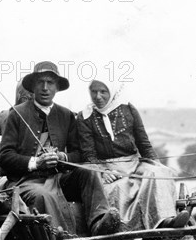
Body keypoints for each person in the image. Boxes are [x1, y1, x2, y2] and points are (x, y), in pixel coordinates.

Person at [0, 61, 121, 236]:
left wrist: (63, 157)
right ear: (33, 86)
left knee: (90, 171)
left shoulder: (66, 115)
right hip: (25, 182)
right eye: (40, 82)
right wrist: (36, 162)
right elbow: (5, 156)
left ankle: (99, 223)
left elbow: (78, 154)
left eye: (50, 83)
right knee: (44, 195)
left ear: (57, 88)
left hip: (58, 179)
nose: (45, 88)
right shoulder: (16, 114)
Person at [77, 80, 189, 231]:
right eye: (94, 92)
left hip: (135, 164)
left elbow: (144, 144)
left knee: (159, 174)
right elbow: (88, 152)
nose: (98, 96)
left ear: (113, 91)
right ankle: (123, 233)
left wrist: (156, 163)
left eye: (103, 91)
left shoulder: (129, 110)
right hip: (109, 169)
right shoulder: (85, 117)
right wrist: (102, 171)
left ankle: (165, 221)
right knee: (117, 188)